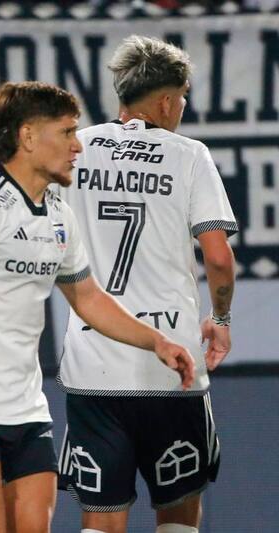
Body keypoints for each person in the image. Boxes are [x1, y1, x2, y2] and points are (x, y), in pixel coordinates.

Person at [0, 81, 196, 533]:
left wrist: (156, 342)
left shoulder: (58, 214)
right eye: (67, 132)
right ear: (28, 137)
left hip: (27, 411)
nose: (77, 146)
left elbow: (87, 297)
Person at [56, 36, 237, 533]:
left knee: (101, 521)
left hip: (94, 364)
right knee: (178, 516)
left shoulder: (75, 148)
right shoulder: (188, 155)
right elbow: (218, 258)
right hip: (172, 366)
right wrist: (220, 319)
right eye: (183, 99)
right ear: (166, 101)